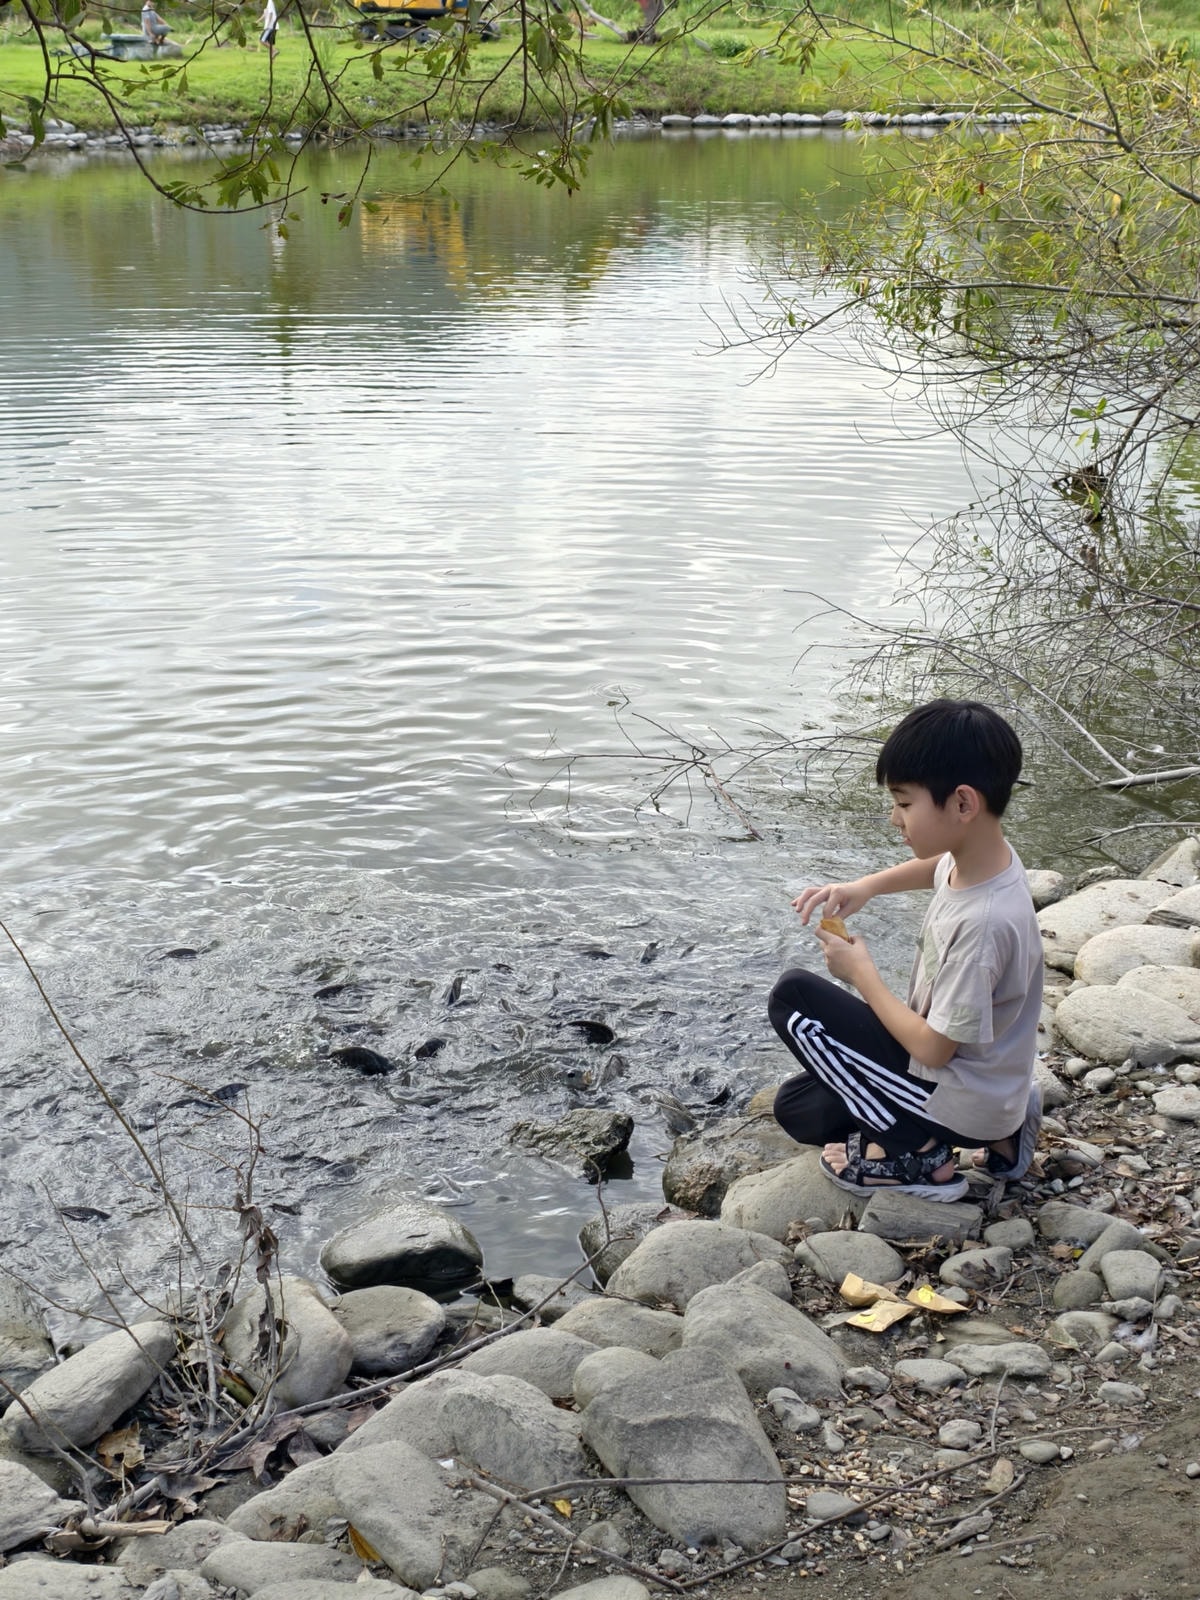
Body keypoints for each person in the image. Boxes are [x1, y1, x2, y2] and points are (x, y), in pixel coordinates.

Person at [768, 698, 1043, 1201]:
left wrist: (861, 974)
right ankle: (1003, 1128)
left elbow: (934, 1048)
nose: (895, 819)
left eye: (904, 802)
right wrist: (864, 887)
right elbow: (934, 867)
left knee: (793, 998)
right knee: (799, 1108)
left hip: (954, 1092)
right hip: (981, 1086)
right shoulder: (985, 862)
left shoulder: (983, 925)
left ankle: (917, 1159)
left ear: (962, 803)